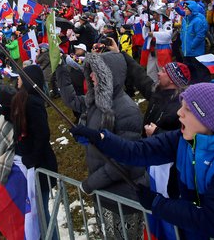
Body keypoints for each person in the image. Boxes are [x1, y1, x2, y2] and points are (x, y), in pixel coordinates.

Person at [70, 81, 214, 240]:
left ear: (209, 121)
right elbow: (139, 151)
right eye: (181, 106)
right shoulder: (182, 139)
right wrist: (100, 139)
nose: (179, 113)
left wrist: (158, 204)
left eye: (188, 110)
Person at [56, 52, 147, 239]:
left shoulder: (127, 110)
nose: (90, 76)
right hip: (104, 193)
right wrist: (60, 71)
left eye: (95, 72)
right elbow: (72, 101)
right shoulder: (96, 102)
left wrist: (90, 184)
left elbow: (123, 161)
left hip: (124, 197)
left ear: (109, 75)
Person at [10, 65, 58, 238]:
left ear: (28, 80)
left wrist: (32, 158)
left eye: (21, 76)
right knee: (36, 211)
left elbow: (42, 134)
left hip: (40, 165)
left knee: (42, 211)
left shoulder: (33, 102)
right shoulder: (22, 100)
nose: (18, 79)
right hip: (30, 165)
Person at [180, 1, 211, 83]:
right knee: (190, 70)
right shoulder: (184, 20)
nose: (185, 10)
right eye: (185, 8)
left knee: (199, 69)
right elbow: (182, 32)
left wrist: (192, 45)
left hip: (195, 51)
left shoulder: (197, 21)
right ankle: (193, 84)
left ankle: (204, 84)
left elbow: (200, 36)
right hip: (186, 51)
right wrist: (183, 43)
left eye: (187, 9)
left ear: (192, 9)